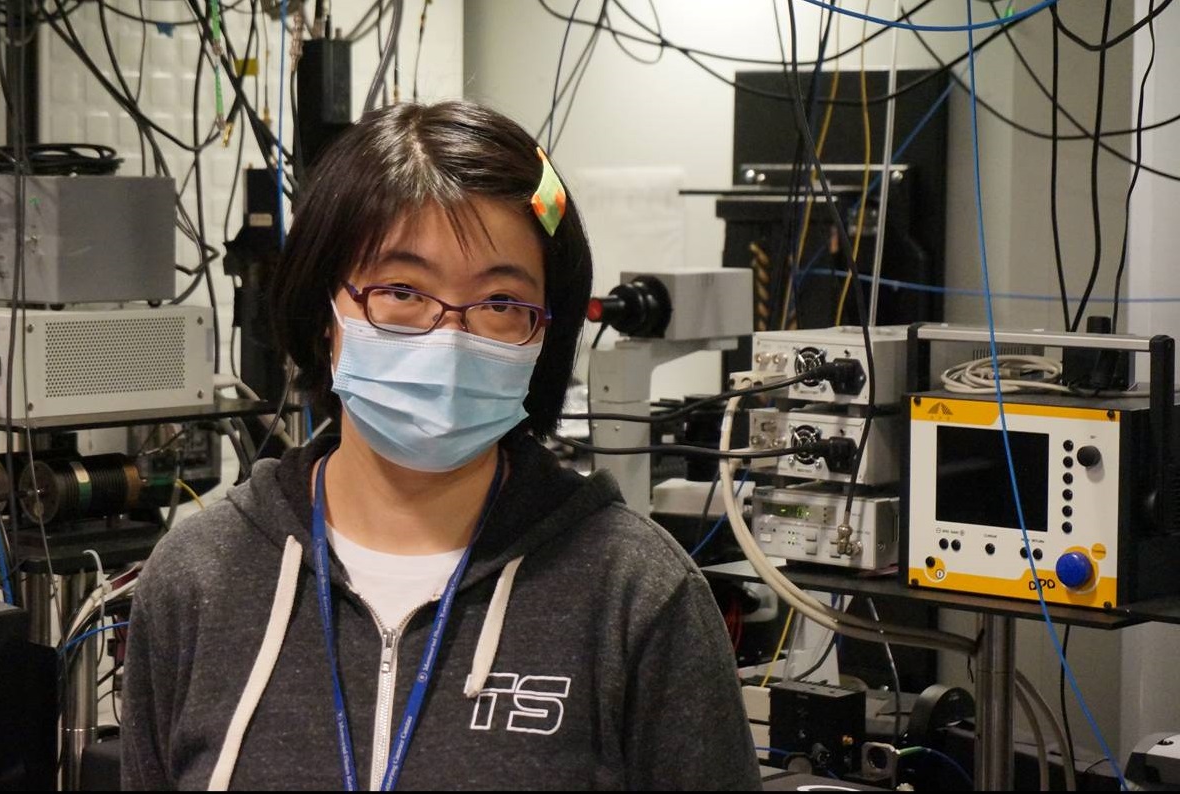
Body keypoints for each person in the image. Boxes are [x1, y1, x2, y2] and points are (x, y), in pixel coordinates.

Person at [121, 100, 760, 791]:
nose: (449, 337)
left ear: (545, 338)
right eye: (401, 290)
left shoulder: (635, 596)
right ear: (322, 314)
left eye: (500, 304)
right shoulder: (198, 579)